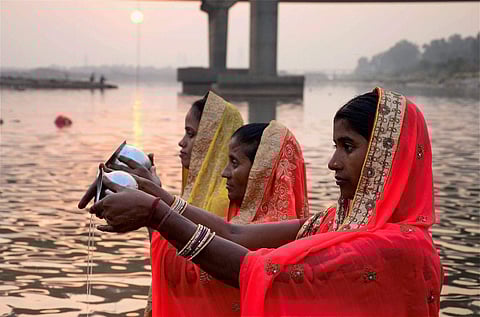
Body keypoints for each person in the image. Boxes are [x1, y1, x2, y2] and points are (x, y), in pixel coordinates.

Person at [89, 87, 443, 316]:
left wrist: (156, 215)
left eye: (347, 147)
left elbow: (256, 271)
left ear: (389, 157)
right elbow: (236, 234)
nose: (333, 162)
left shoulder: (398, 246)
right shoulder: (337, 221)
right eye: (335, 147)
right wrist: (155, 193)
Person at [79, 91, 244, 316]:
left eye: (191, 134)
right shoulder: (194, 198)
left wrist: (152, 204)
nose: (181, 142)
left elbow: (188, 268)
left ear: (212, 140)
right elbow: (167, 257)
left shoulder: (224, 202)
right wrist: (151, 197)